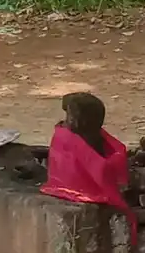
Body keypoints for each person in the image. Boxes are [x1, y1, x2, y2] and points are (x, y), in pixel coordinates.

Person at [43, 94, 137, 242]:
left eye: (70, 118)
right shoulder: (72, 136)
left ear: (81, 121)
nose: (65, 123)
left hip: (83, 185)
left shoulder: (77, 139)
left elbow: (99, 169)